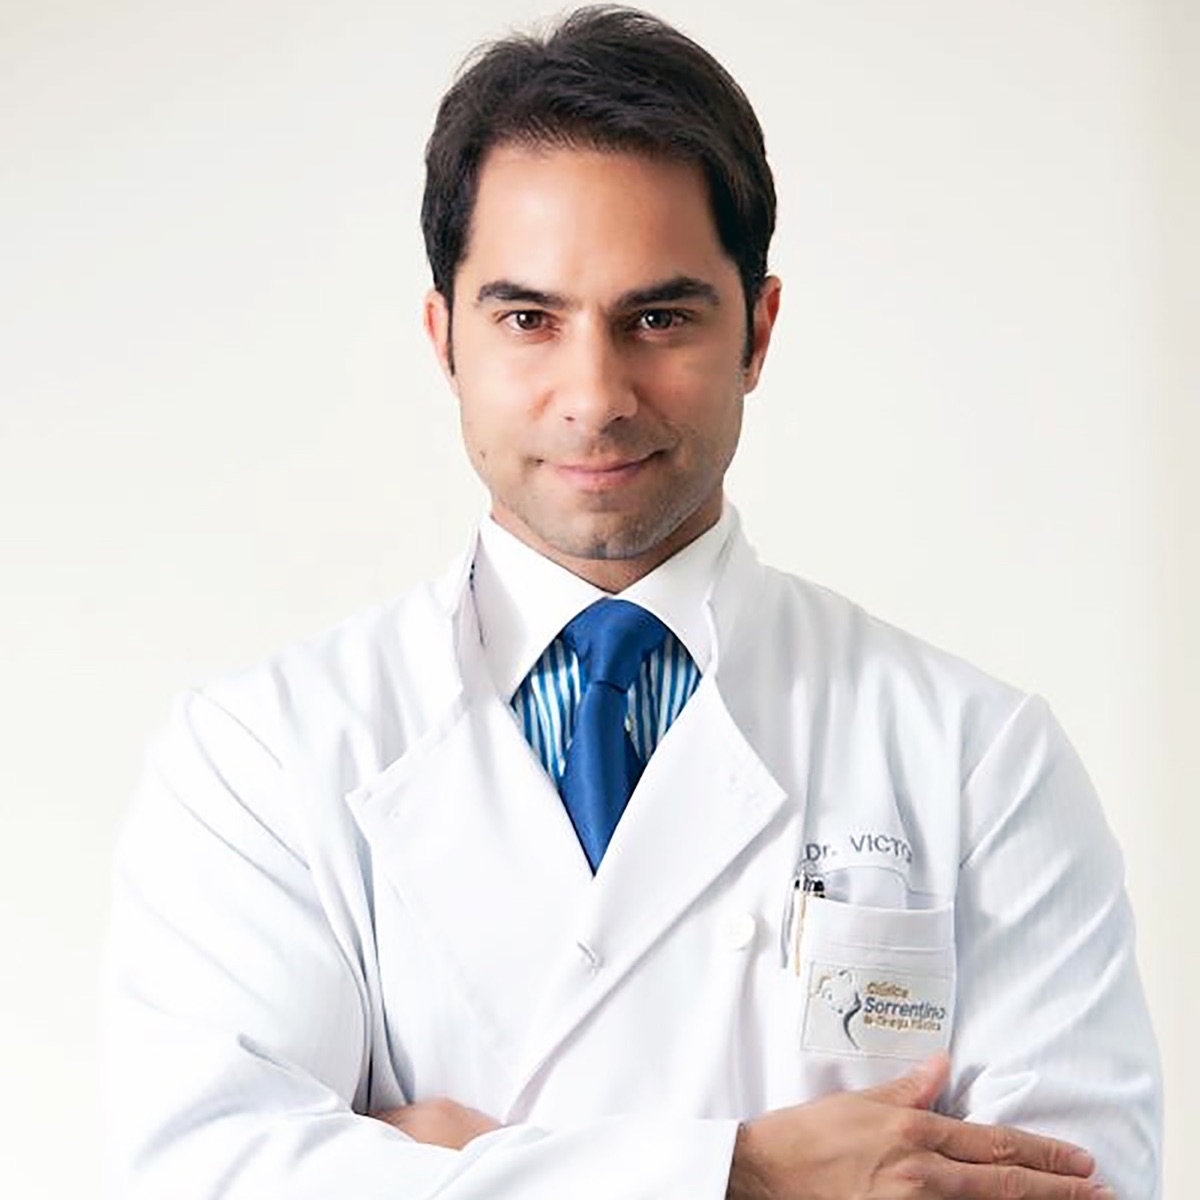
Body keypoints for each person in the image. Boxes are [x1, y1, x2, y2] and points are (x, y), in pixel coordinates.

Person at [102, 6, 1161, 1198]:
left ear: (757, 331)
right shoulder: (259, 760)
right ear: (445, 340)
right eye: (528, 320)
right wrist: (745, 1174)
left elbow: (1085, 1187)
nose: (595, 394)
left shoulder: (978, 759)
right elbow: (200, 1174)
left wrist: (453, 1168)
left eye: (658, 318)